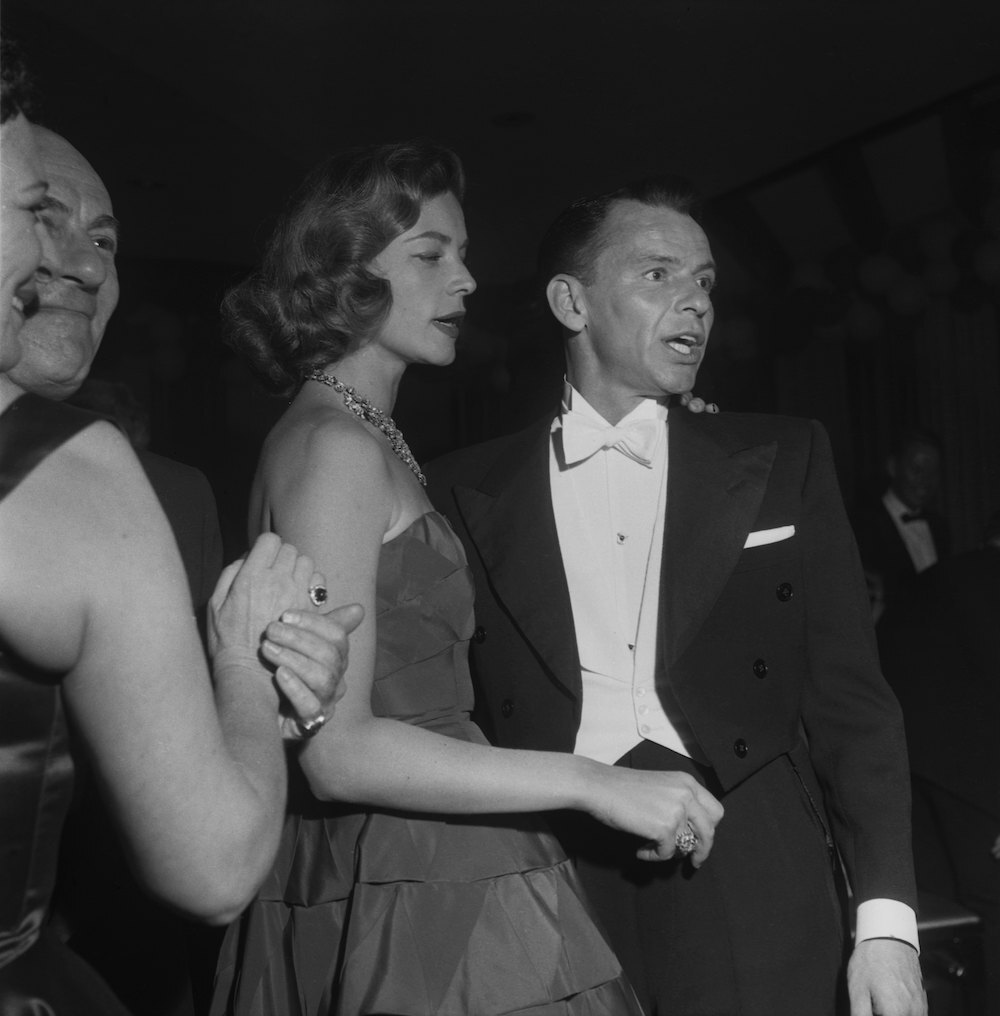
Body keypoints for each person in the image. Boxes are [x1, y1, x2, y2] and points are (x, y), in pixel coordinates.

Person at [210, 141, 725, 1016]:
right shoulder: (334, 448)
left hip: (429, 861)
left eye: (462, 253)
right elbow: (339, 750)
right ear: (343, 274)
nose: (467, 280)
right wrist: (596, 783)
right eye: (430, 254)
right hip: (410, 886)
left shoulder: (366, 436)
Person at [428, 179, 926, 1016]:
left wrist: (886, 930)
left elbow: (853, 706)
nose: (694, 304)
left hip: (752, 871)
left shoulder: (781, 456)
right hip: (546, 874)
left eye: (705, 283)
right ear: (570, 301)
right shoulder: (461, 488)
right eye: (659, 275)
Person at [0, 43, 363, 1013]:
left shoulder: (171, 493)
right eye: (39, 214)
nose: (77, 262)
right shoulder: (85, 475)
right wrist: (242, 661)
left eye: (109, 241)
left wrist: (271, 700)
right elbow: (207, 858)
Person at [878, 511, 1000, 1015]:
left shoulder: (951, 575)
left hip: (906, 759)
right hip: (961, 772)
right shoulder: (982, 587)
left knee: (953, 910)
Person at [852, 429, 950, 622]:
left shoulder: (940, 527)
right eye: (916, 470)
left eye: (933, 472)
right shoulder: (861, 525)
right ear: (892, 467)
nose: (925, 481)